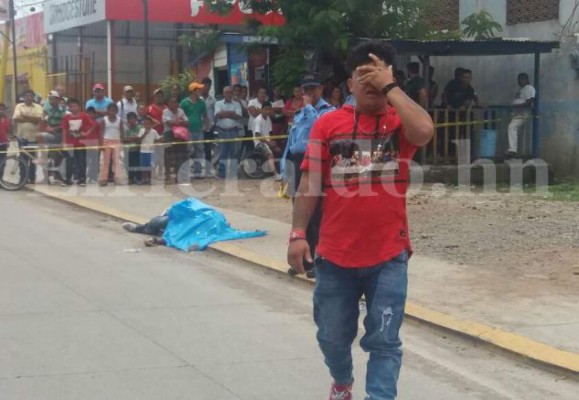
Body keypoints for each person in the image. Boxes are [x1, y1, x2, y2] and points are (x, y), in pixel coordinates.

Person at [287, 40, 434, 400]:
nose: (369, 82)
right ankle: (341, 382)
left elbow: (425, 131)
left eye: (377, 73)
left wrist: (390, 87)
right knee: (332, 336)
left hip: (388, 255)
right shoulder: (328, 124)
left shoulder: (400, 123)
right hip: (335, 256)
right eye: (361, 75)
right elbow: (310, 182)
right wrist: (297, 233)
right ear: (349, 84)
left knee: (385, 341)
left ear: (390, 76)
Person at [280, 73, 335, 278]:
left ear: (321, 90)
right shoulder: (300, 113)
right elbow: (291, 141)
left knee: (316, 214)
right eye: (306, 89)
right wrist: (283, 169)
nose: (309, 93)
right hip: (296, 161)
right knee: (299, 212)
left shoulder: (328, 112)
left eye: (313, 89)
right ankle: (302, 259)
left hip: (316, 162)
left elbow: (320, 128)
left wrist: (310, 107)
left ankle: (315, 259)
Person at [61, 98, 96, 186]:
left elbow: (93, 125)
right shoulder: (66, 117)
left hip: (81, 144)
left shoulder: (84, 116)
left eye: (75, 106)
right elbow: (64, 130)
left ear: (79, 107)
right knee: (69, 162)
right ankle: (68, 179)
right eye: (71, 106)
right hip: (70, 143)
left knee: (81, 162)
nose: (73, 108)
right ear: (69, 108)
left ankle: (82, 179)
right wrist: (65, 142)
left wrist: (86, 133)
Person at [12, 89, 43, 183]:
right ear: (24, 97)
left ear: (33, 97)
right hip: (22, 137)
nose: (29, 98)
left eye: (31, 96)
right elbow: (17, 118)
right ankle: (23, 179)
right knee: (22, 158)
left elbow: (38, 119)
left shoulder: (38, 107)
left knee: (33, 158)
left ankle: (32, 178)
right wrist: (31, 118)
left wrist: (24, 117)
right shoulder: (19, 106)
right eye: (27, 96)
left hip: (34, 137)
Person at [180, 82, 209, 178]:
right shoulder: (184, 102)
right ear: (193, 91)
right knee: (188, 151)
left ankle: (198, 172)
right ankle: (186, 173)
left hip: (199, 130)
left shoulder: (201, 102)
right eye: (199, 90)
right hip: (187, 131)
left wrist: (206, 126)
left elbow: (205, 116)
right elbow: (180, 115)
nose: (201, 91)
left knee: (199, 151)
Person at [214, 86, 243, 179]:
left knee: (234, 153)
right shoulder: (218, 103)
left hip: (234, 131)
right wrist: (232, 113)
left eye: (230, 92)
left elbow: (238, 116)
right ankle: (222, 174)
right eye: (227, 92)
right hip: (222, 131)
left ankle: (233, 173)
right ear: (223, 93)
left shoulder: (237, 104)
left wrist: (224, 113)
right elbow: (218, 115)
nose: (229, 94)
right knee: (223, 153)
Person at [507, 73, 535, 158]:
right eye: (518, 80)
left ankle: (512, 150)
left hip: (524, 113)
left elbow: (529, 102)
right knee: (513, 129)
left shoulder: (530, 88)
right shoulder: (522, 89)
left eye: (522, 79)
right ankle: (513, 150)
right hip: (518, 113)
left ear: (527, 79)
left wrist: (516, 106)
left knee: (512, 127)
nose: (519, 81)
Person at [162, 97, 189, 184]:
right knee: (168, 157)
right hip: (169, 135)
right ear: (168, 104)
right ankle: (167, 177)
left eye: (175, 102)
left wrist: (176, 122)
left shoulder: (181, 111)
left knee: (180, 157)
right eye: (171, 103)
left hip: (180, 136)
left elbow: (187, 122)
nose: (173, 104)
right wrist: (180, 121)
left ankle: (178, 177)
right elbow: (168, 123)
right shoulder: (165, 112)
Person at [37, 90, 67, 171]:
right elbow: (44, 120)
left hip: (59, 133)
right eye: (50, 99)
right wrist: (47, 127)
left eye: (53, 99)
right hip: (50, 132)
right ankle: (46, 167)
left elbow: (64, 124)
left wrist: (54, 128)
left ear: (57, 99)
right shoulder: (47, 109)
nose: (51, 101)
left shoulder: (62, 110)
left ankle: (58, 173)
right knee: (49, 152)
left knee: (57, 154)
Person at [253, 101, 281, 180]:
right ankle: (275, 174)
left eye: (269, 109)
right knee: (270, 154)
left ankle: (279, 170)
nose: (267, 111)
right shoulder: (258, 120)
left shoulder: (268, 119)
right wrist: (269, 143)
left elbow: (269, 133)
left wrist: (272, 142)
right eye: (265, 109)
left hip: (267, 141)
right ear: (261, 110)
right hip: (259, 142)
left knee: (279, 150)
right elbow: (257, 135)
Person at [99, 103, 124, 186]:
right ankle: (104, 179)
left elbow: (122, 132)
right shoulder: (104, 120)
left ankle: (117, 178)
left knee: (116, 161)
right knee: (106, 161)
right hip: (106, 141)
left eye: (114, 110)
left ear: (117, 111)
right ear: (108, 111)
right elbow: (101, 132)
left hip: (116, 141)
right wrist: (101, 144)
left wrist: (122, 142)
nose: (112, 112)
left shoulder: (119, 120)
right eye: (111, 110)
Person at [138, 116, 163, 184]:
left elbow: (158, 139)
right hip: (143, 151)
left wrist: (161, 139)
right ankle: (143, 179)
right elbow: (139, 139)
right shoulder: (141, 130)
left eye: (149, 124)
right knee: (143, 166)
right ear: (143, 124)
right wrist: (145, 133)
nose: (147, 125)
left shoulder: (154, 131)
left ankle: (149, 179)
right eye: (145, 124)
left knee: (150, 166)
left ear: (151, 124)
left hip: (151, 152)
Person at [201, 78, 216, 172]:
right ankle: (196, 168)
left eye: (209, 85)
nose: (207, 88)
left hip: (209, 127)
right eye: (205, 85)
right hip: (198, 128)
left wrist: (213, 125)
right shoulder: (198, 99)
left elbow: (214, 113)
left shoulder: (213, 99)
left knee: (208, 148)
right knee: (197, 149)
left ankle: (208, 168)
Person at [124, 112, 142, 184]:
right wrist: (132, 139)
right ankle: (130, 178)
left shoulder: (139, 128)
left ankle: (138, 178)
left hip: (137, 149)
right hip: (128, 150)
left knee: (137, 164)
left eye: (133, 118)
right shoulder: (126, 129)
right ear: (128, 120)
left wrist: (131, 139)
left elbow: (140, 138)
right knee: (129, 164)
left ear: (136, 119)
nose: (132, 120)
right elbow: (124, 139)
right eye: (130, 119)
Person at [85, 107, 101, 183]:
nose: (90, 115)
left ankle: (94, 178)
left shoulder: (97, 123)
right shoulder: (83, 123)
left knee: (95, 161)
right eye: (88, 113)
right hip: (85, 145)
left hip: (95, 145)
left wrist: (100, 145)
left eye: (92, 113)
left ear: (95, 114)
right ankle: (85, 176)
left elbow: (99, 134)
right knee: (86, 162)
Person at [0, 103, 12, 176]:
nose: (1, 111)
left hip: (3, 143)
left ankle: (1, 179)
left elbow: (8, 132)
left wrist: (8, 140)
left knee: (3, 161)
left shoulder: (7, 120)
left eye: (2, 109)